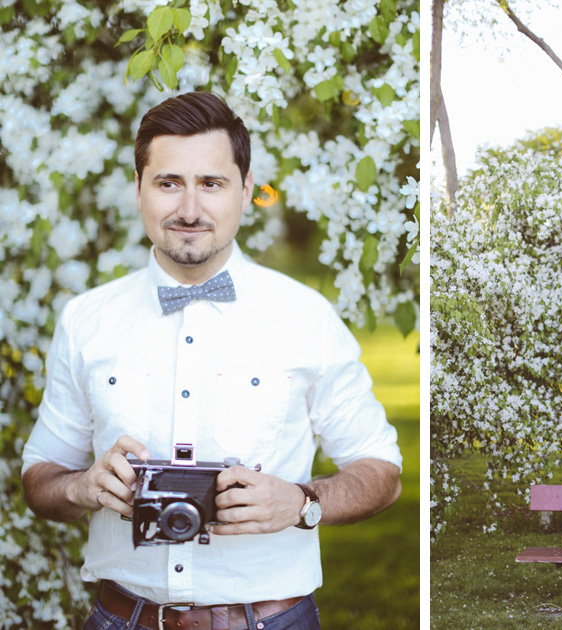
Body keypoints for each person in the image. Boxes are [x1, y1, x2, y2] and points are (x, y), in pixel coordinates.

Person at [21, 91, 403, 630]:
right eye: (168, 183)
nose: (189, 210)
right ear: (138, 189)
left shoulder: (306, 317)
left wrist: (300, 503)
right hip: (122, 617)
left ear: (245, 191)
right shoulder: (86, 319)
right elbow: (40, 476)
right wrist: (79, 487)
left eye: (211, 184)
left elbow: (380, 470)